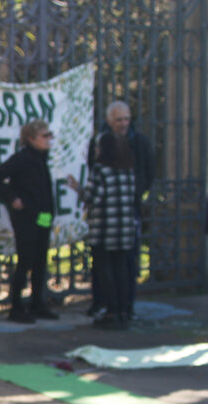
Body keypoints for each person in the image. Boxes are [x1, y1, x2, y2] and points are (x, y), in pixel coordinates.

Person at [85, 101, 156, 318]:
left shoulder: (139, 143)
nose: (124, 123)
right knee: (110, 266)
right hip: (120, 217)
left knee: (121, 264)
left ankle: (120, 307)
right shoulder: (100, 143)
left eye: (127, 119)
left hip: (115, 218)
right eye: (119, 120)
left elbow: (149, 171)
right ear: (109, 121)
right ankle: (107, 305)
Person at [0, 119, 60, 323]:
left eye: (49, 135)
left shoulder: (41, 158)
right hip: (27, 217)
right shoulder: (22, 158)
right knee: (26, 259)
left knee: (40, 260)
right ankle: (17, 307)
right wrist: (12, 199)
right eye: (44, 136)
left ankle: (38, 303)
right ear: (31, 138)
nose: (49, 140)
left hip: (43, 216)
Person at [69, 132, 137, 330]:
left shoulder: (100, 170)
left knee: (105, 270)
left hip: (105, 228)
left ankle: (111, 311)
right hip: (124, 227)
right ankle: (124, 310)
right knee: (121, 269)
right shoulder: (127, 169)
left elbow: (93, 196)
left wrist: (77, 188)